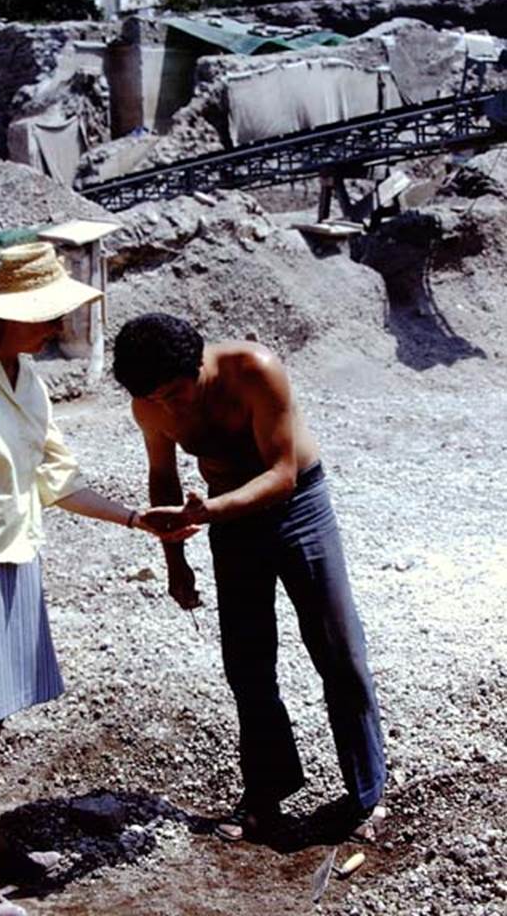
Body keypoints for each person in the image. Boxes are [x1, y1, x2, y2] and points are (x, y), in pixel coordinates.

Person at [0, 246, 194, 916]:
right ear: (10, 313)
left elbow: (56, 480)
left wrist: (136, 520)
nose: (56, 327)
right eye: (47, 315)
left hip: (14, 552)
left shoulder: (25, 377)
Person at [113, 313, 386, 843]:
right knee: (247, 663)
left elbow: (283, 475)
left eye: (175, 392)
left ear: (199, 365)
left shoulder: (255, 370)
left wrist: (209, 512)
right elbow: (163, 476)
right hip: (224, 518)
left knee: (339, 652)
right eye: (156, 399)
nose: (168, 407)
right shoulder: (149, 403)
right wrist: (176, 561)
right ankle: (266, 793)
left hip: (298, 505)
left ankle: (366, 795)